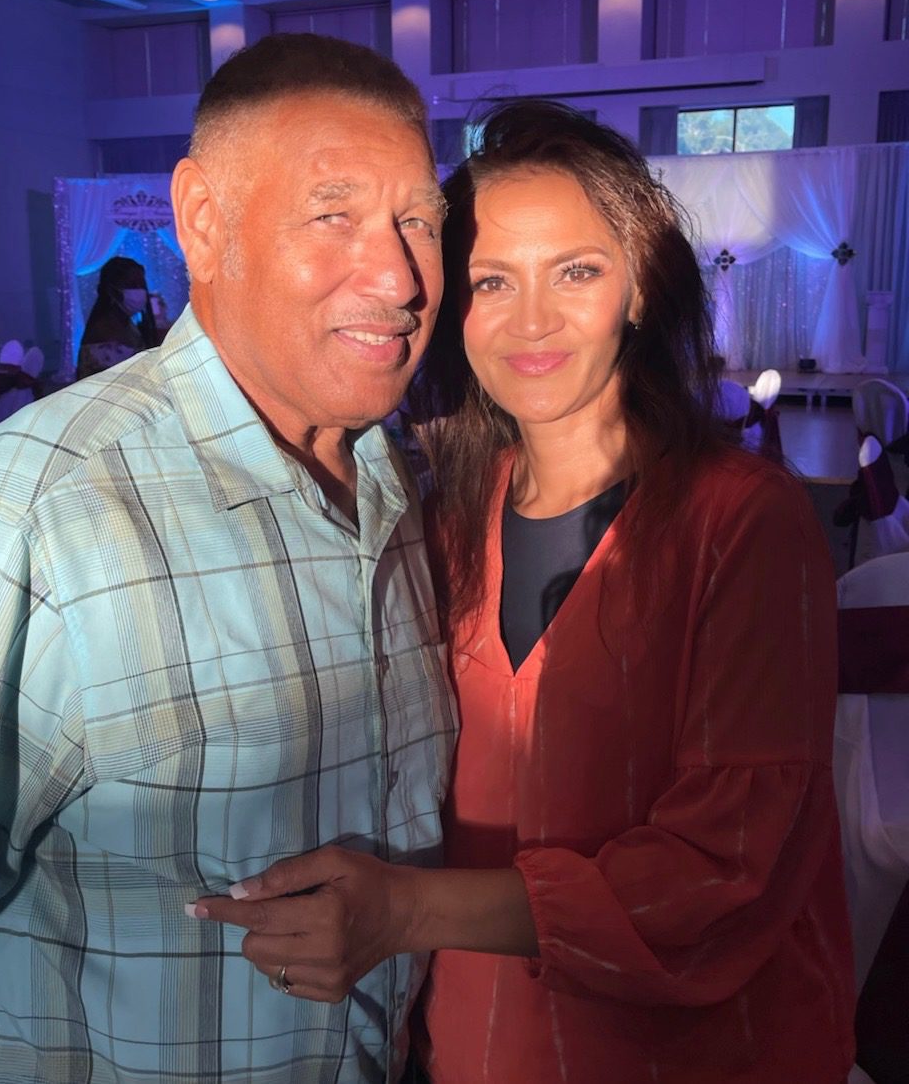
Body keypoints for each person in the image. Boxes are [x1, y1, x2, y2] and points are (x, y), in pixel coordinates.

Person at [195, 102, 855, 1083]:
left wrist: (405, 909)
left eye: (576, 272)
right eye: (491, 280)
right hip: (475, 1039)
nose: (532, 320)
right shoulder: (448, 517)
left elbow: (727, 867)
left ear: (640, 286)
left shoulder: (742, 523)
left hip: (692, 1053)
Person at [0, 33, 456, 1084]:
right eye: (334, 215)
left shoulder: (397, 482)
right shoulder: (30, 516)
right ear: (203, 221)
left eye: (419, 221)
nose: (401, 277)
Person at [75, 254, 160, 379]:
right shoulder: (104, 328)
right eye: (132, 285)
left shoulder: (126, 323)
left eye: (142, 285)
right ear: (112, 290)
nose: (139, 290)